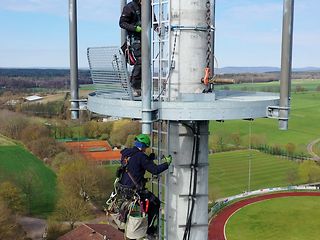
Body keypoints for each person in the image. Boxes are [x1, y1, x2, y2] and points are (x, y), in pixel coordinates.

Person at [118, 133, 172, 235]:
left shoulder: (126, 154)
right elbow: (155, 170)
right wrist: (167, 164)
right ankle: (149, 229)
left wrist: (148, 159)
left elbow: (135, 164)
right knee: (155, 203)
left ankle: (128, 224)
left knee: (142, 206)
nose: (145, 150)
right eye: (145, 148)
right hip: (134, 190)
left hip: (124, 188)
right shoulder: (141, 157)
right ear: (143, 146)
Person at [119, 0, 142, 97]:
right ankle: (134, 86)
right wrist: (135, 28)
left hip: (144, 38)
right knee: (140, 61)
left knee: (144, 63)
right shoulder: (129, 7)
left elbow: (152, 19)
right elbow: (122, 23)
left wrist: (157, 27)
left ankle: (138, 85)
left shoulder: (146, 7)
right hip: (135, 38)